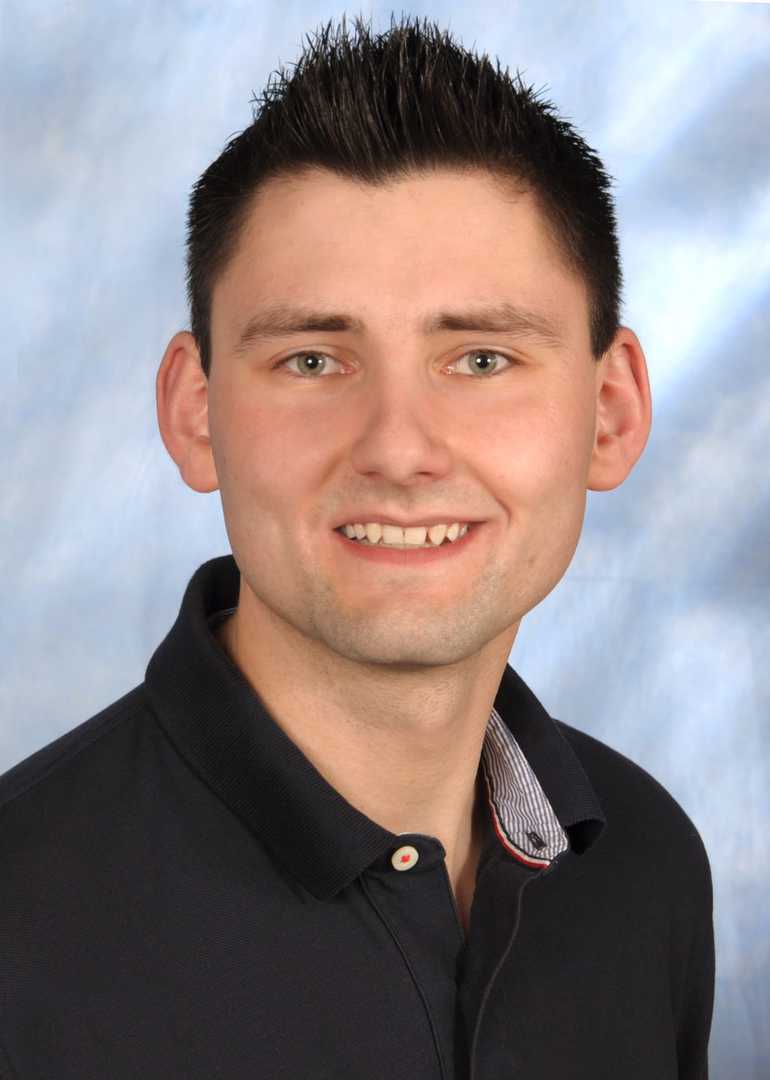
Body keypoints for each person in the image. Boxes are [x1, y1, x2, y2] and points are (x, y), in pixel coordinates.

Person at [0, 13, 714, 1079]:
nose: (398, 449)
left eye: (480, 359)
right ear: (195, 413)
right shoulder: (20, 934)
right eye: (311, 361)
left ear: (609, 413)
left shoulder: (646, 869)